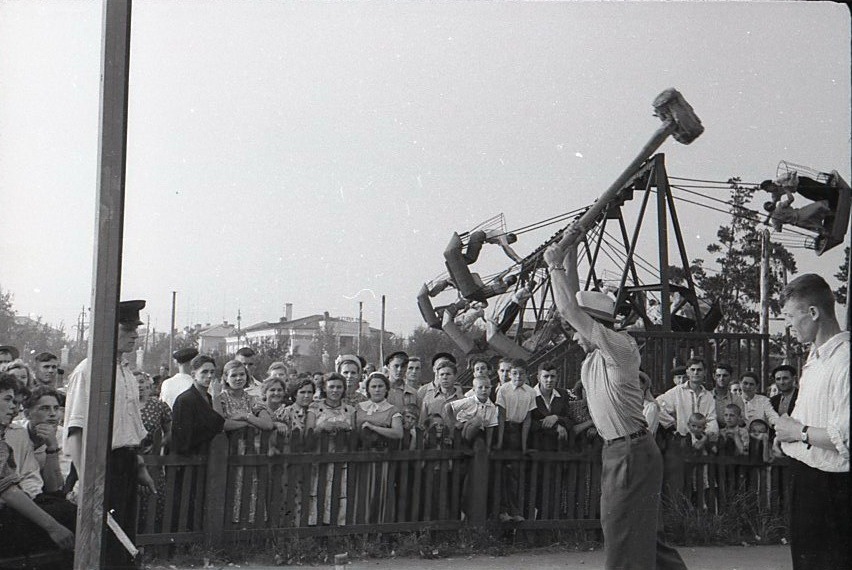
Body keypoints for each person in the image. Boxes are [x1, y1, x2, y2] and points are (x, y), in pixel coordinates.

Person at [545, 224, 685, 570]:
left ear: (596, 326)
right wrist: (571, 249)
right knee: (644, 537)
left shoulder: (619, 346)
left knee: (623, 534)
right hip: (620, 451)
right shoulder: (596, 354)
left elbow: (570, 311)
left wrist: (553, 265)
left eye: (580, 330)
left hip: (632, 452)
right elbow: (575, 304)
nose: (574, 337)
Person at [63, 299, 156, 569]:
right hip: (96, 467)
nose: (135, 335)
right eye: (127, 329)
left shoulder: (126, 372)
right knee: (99, 546)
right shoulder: (88, 371)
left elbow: (128, 431)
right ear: (105, 330)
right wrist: (86, 482)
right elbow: (75, 431)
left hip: (124, 466)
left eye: (136, 328)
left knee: (122, 544)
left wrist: (138, 466)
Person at [772, 274, 849, 569]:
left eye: (792, 316)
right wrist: (787, 434)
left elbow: (845, 436)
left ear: (814, 313)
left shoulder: (844, 361)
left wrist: (799, 432)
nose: (790, 325)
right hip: (806, 477)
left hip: (831, 486)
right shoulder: (815, 358)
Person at [0, 373, 76, 560]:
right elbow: (8, 491)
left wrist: (52, 448)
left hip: (17, 505)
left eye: (56, 409)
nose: (14, 408)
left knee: (69, 511)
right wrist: (53, 528)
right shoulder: (11, 435)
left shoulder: (5, 440)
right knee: (69, 518)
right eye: (8, 400)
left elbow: (50, 487)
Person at [306, 373, 355, 525]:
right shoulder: (315, 408)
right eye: (331, 386)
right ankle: (315, 527)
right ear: (325, 388)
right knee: (317, 491)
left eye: (339, 387)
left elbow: (354, 439)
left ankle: (337, 528)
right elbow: (308, 435)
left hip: (341, 459)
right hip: (320, 458)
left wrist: (347, 428)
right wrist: (321, 427)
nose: (335, 390)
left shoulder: (349, 410)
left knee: (340, 491)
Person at [495, 359, 536, 523]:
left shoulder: (530, 392)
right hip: (505, 430)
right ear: (510, 374)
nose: (518, 376)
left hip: (518, 433)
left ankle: (515, 510)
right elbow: (501, 416)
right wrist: (499, 442)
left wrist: (524, 445)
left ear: (526, 374)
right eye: (514, 373)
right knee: (503, 472)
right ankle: (503, 510)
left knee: (516, 474)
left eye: (521, 373)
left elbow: (527, 419)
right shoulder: (503, 390)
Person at [171, 355, 225, 456]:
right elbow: (183, 437)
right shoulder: (185, 400)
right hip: (191, 458)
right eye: (204, 372)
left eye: (212, 372)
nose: (209, 376)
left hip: (211, 456)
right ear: (193, 375)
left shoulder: (210, 398)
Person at [656, 358, 719, 438]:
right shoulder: (677, 391)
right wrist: (671, 423)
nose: (696, 373)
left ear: (705, 372)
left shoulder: (709, 396)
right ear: (687, 372)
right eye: (693, 370)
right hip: (682, 439)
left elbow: (711, 419)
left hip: (703, 440)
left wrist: (706, 437)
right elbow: (657, 405)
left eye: (699, 370)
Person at [529, 361, 571, 450]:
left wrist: (556, 417)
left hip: (558, 445)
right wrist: (556, 426)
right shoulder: (530, 394)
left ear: (556, 378)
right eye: (545, 376)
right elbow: (529, 422)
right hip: (535, 444)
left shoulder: (562, 394)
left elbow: (569, 419)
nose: (549, 380)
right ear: (538, 378)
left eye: (552, 376)